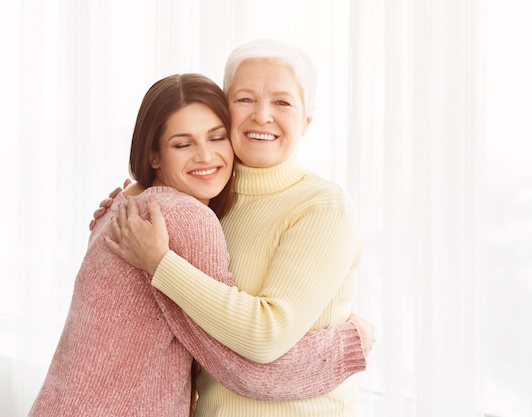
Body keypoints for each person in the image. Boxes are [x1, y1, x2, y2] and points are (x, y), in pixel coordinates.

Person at [30, 73, 370, 417]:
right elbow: (244, 369)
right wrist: (350, 342)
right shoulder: (185, 219)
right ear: (154, 156)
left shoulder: (131, 206)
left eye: (217, 137)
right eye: (183, 144)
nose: (206, 156)